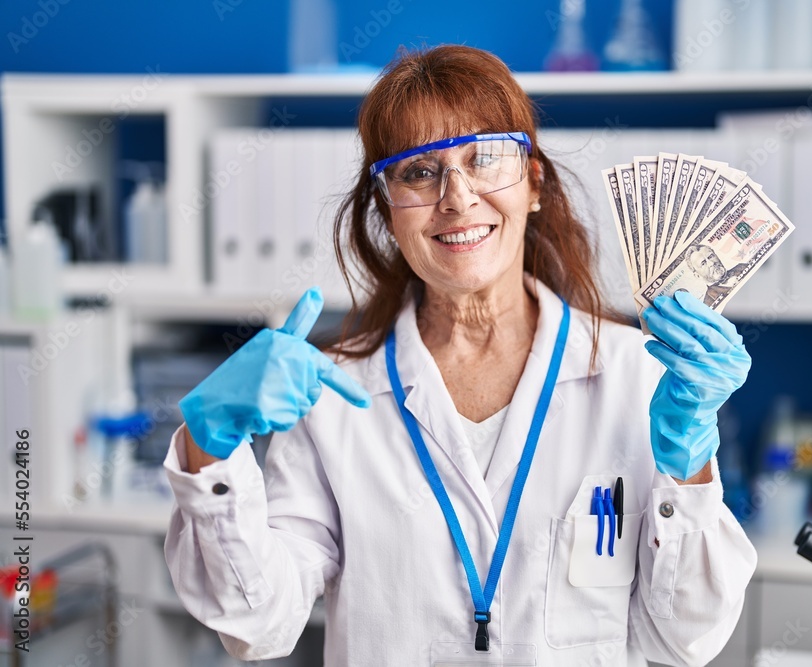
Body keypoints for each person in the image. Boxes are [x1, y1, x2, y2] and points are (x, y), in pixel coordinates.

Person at [163, 45, 756, 666]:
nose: (457, 196)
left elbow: (683, 639)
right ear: (389, 209)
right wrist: (211, 452)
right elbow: (260, 624)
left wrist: (689, 462)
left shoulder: (639, 373)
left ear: (534, 184)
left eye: (486, 158)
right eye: (419, 171)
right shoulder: (334, 394)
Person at [684, 244, 750, 308]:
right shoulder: (708, 305)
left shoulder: (741, 267)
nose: (711, 263)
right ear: (697, 275)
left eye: (711, 256)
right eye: (703, 263)